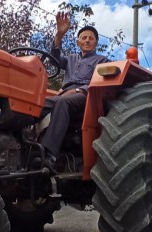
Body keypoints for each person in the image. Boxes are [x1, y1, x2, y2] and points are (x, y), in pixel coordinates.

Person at [39, 11, 109, 169]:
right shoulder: (70, 58)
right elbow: (54, 59)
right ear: (78, 42)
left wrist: (80, 90)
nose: (87, 40)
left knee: (63, 102)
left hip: (87, 95)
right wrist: (59, 34)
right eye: (84, 38)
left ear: (96, 43)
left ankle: (50, 155)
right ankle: (25, 146)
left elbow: (99, 82)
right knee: (37, 105)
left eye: (91, 38)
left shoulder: (101, 60)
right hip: (64, 93)